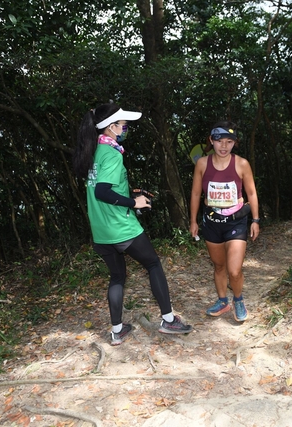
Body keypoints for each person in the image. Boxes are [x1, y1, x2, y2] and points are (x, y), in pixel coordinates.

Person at [73, 102, 192, 345]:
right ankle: (169, 320)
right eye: (123, 125)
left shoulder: (92, 152)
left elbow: (103, 187)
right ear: (111, 127)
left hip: (101, 230)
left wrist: (131, 192)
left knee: (117, 276)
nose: (125, 128)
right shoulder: (112, 154)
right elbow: (102, 192)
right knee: (153, 264)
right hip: (121, 227)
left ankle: (117, 331)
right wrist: (133, 202)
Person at [189, 121, 260, 322]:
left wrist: (255, 220)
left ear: (234, 143)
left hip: (236, 221)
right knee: (219, 266)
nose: (224, 146)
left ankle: (238, 299)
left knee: (234, 270)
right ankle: (223, 301)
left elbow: (251, 192)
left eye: (229, 142)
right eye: (220, 141)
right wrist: (193, 221)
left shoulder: (241, 164)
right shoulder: (203, 164)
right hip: (212, 221)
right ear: (211, 141)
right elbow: (195, 193)